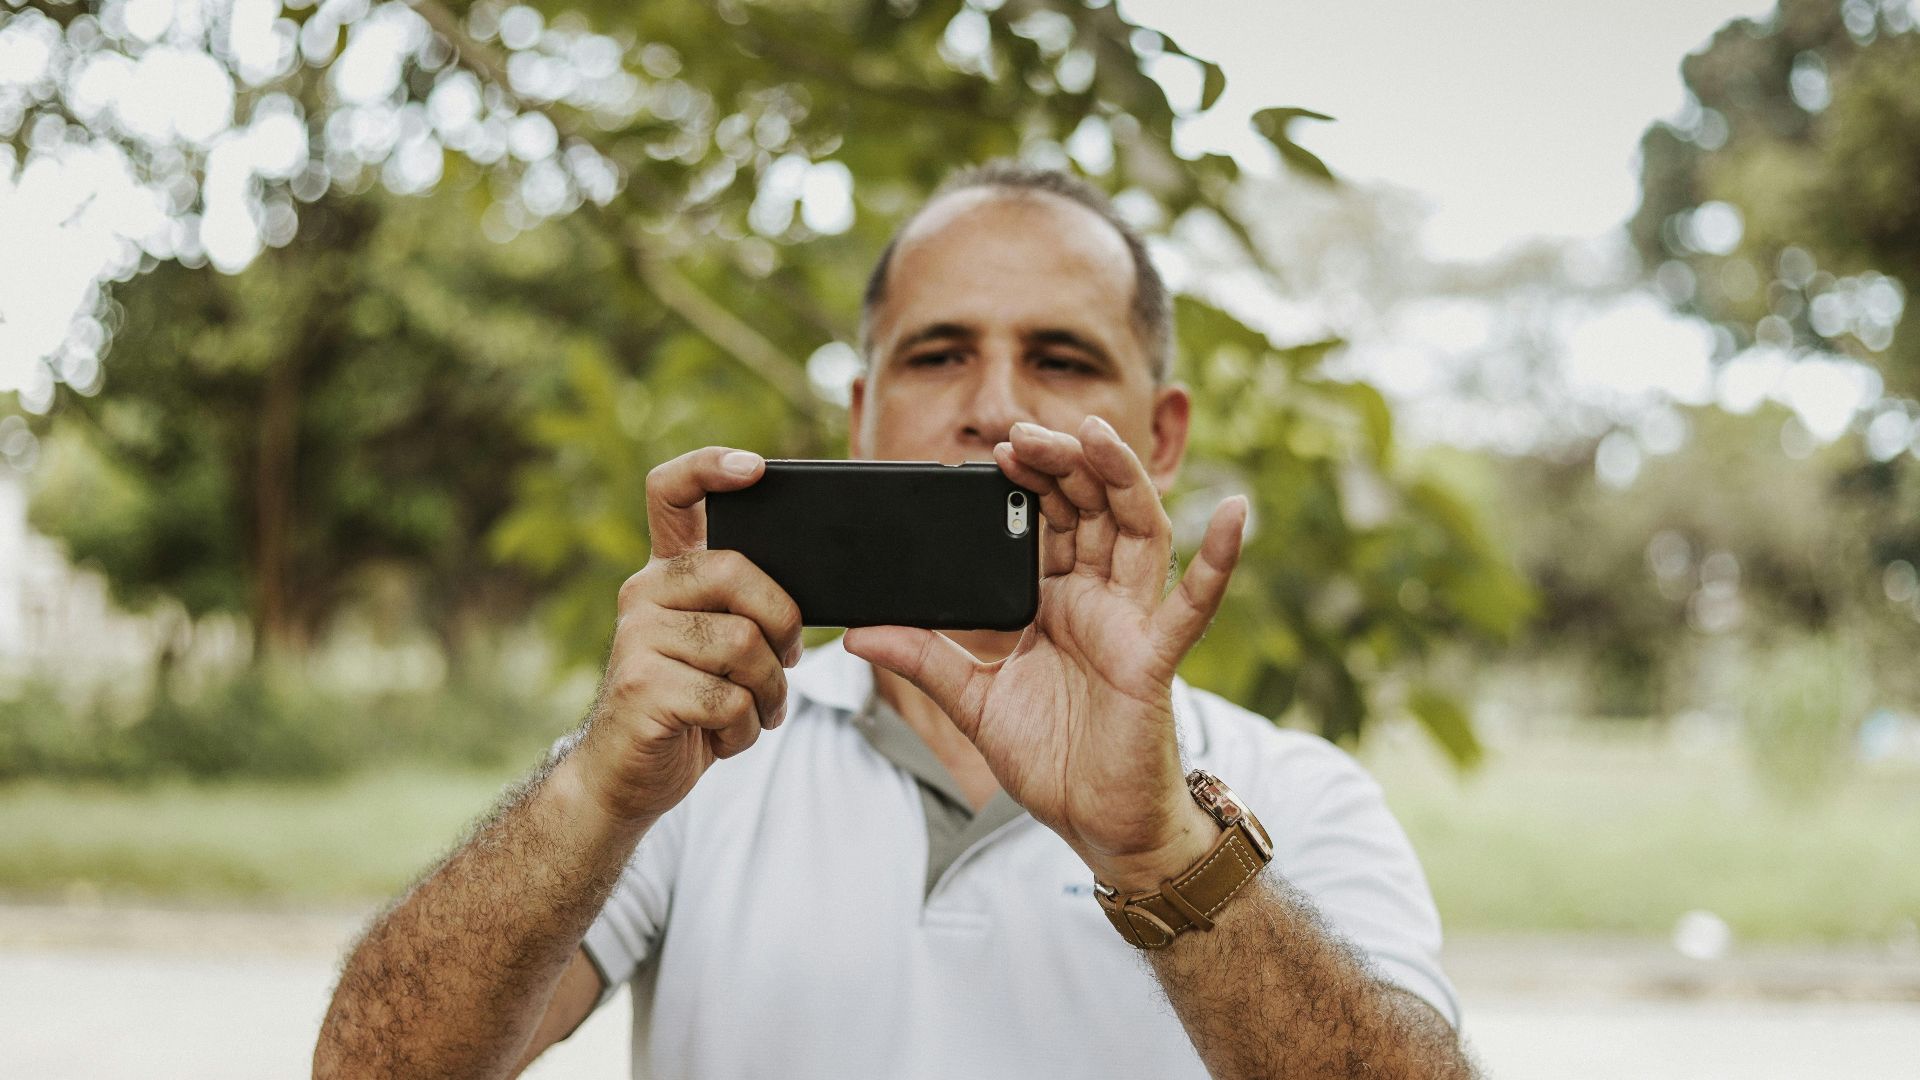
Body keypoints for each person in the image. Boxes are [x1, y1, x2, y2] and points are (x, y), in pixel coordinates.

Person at [314, 161, 1475, 1079]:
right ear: (863, 413)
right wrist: (593, 788)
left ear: (1160, 435)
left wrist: (1162, 849)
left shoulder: (1296, 797)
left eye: (1061, 357)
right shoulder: (693, 756)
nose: (996, 407)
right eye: (940, 353)